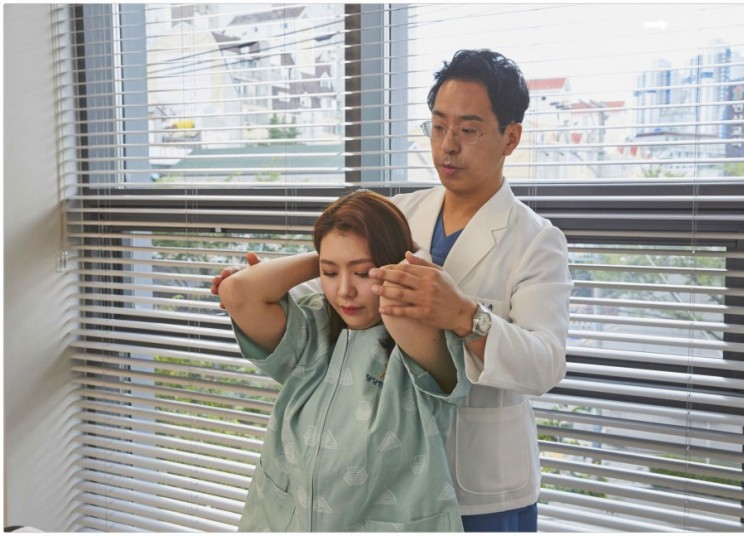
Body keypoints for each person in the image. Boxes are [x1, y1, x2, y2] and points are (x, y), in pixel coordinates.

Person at [213, 48, 572, 532]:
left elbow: (545, 365)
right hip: (389, 480)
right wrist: (270, 282)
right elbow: (336, 297)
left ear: (511, 137)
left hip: (483, 485)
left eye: (468, 130)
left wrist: (465, 317)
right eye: (438, 126)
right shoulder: (400, 211)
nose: (447, 146)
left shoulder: (536, 240)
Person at [216, 190, 469, 532]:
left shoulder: (421, 343)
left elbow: (400, 310)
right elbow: (237, 292)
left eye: (362, 273)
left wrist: (393, 257)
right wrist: (331, 253)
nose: (344, 291)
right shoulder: (313, 332)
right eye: (330, 273)